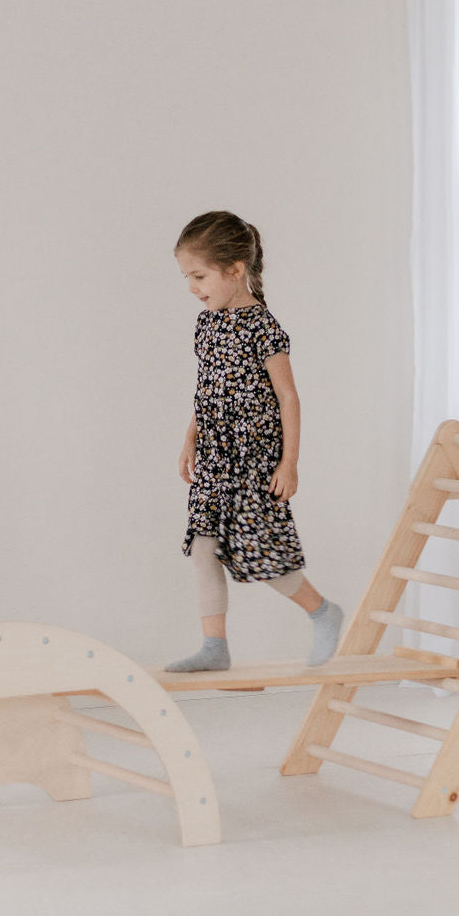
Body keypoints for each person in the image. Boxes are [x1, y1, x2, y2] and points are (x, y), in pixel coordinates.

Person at [165, 210, 344, 673]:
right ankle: (214, 647)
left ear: (235, 270)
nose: (192, 287)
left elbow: (288, 396)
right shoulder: (206, 325)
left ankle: (322, 612)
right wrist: (190, 439)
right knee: (204, 547)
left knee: (259, 550)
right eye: (187, 277)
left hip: (253, 458)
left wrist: (290, 464)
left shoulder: (262, 326)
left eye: (199, 276)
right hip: (214, 456)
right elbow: (207, 391)